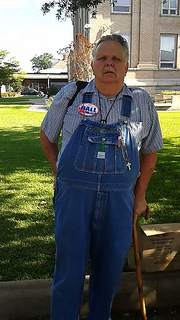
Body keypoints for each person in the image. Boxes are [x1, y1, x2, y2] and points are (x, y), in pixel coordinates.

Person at [40, 34, 163, 320]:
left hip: (120, 200)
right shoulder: (71, 94)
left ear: (127, 65)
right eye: (102, 59)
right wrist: (60, 174)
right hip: (73, 199)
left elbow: (151, 151)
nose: (109, 64)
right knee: (68, 271)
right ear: (93, 65)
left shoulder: (142, 101)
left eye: (116, 59)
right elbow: (47, 138)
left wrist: (140, 195)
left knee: (109, 273)